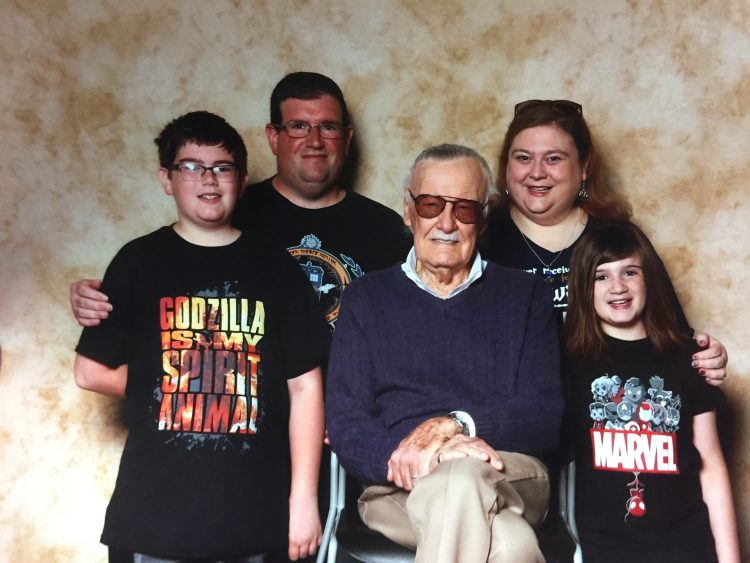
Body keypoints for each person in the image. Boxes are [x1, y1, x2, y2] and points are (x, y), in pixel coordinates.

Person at [73, 111, 330, 562]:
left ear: (242, 178)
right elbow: (90, 370)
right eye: (191, 167)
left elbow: (306, 386)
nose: (208, 179)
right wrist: (183, 382)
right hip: (153, 518)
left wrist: (303, 500)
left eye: (222, 167)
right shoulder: (138, 262)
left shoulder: (277, 270)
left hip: (256, 516)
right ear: (167, 179)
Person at [327, 144, 565, 562]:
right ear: (409, 211)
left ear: (484, 218)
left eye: (465, 209)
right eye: (431, 204)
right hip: (398, 487)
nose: (447, 223)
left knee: (464, 478)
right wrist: (431, 455)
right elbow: (346, 421)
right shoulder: (366, 299)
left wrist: (456, 424)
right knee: (509, 544)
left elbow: (544, 415)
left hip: (509, 473)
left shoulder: (525, 296)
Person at [70, 72, 408, 332]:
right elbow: (168, 290)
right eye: (299, 127)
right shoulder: (229, 213)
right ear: (273, 137)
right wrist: (101, 301)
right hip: (254, 414)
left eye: (328, 127)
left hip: (350, 416)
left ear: (347, 139)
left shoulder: (386, 229)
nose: (315, 141)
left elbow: (412, 323)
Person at [481, 99, 728, 384]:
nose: (537, 172)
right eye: (523, 157)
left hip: (607, 413)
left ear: (584, 167)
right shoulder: (481, 238)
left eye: (554, 158)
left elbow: (672, 336)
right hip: (514, 415)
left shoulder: (619, 238)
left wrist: (706, 357)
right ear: (506, 166)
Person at [564, 222, 739, 563]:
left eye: (630, 272)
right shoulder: (569, 362)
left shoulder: (689, 356)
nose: (618, 287)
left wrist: (730, 559)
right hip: (604, 551)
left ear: (649, 279)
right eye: (601, 276)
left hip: (686, 548)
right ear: (584, 287)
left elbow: (712, 465)